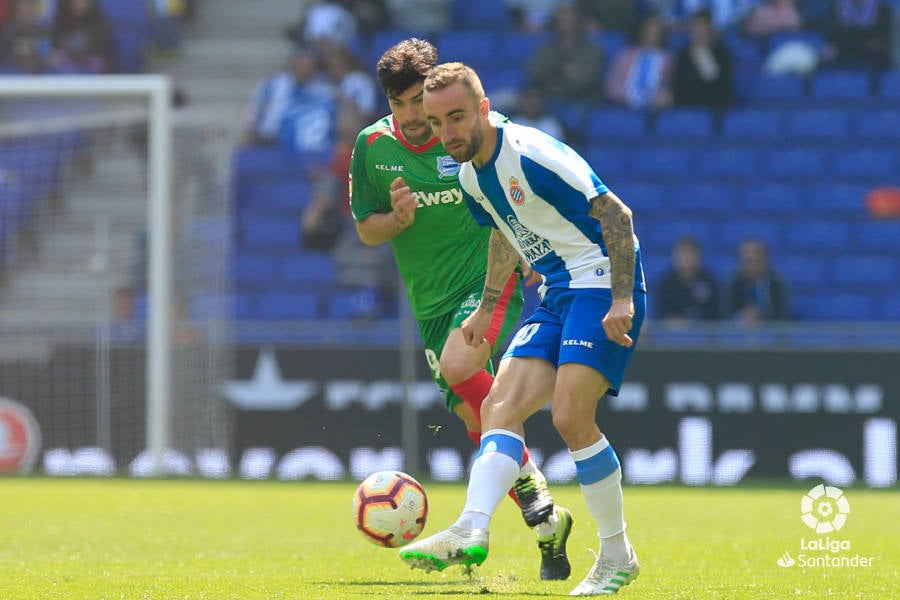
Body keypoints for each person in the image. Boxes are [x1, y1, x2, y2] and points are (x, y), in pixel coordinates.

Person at [404, 62, 647, 596]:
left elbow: (618, 217)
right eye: (437, 122)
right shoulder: (470, 176)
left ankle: (617, 555)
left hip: (599, 282)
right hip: (558, 291)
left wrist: (623, 298)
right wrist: (486, 309)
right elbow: (504, 234)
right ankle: (471, 525)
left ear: (484, 109)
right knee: (498, 408)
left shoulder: (531, 154)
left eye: (457, 117)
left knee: (570, 417)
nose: (447, 133)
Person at [348, 38, 574, 580]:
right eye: (397, 104)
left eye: (416, 101)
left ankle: (480, 520)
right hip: (429, 303)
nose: (410, 116)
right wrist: (396, 220)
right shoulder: (372, 147)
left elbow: (524, 189)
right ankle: (547, 520)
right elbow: (366, 229)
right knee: (479, 418)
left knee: (460, 366)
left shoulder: (467, 134)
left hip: (486, 281)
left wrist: (533, 245)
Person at [605, 12, 674, 111]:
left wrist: (657, 99)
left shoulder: (667, 60)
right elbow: (612, 85)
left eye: (656, 29)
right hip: (623, 104)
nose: (652, 33)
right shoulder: (626, 55)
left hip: (653, 109)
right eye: (648, 29)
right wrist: (624, 97)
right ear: (642, 31)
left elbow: (667, 89)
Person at [672, 8, 735, 109]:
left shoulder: (722, 53)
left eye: (703, 25)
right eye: (696, 25)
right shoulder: (683, 54)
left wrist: (702, 54)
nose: (699, 30)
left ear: (710, 28)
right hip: (686, 108)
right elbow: (679, 85)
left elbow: (717, 85)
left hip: (713, 109)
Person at [725, 239, 790, 322]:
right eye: (747, 262)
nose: (751, 267)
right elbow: (724, 315)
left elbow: (783, 315)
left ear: (765, 261)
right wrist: (741, 317)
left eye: (755, 261)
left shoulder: (777, 283)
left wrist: (761, 317)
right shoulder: (732, 284)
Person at [657, 236, 720, 322]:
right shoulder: (666, 284)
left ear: (698, 256)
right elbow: (662, 315)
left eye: (690, 253)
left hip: (703, 329)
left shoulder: (709, 282)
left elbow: (716, 316)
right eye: (682, 253)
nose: (686, 257)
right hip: (675, 330)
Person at [47, 0, 113, 74]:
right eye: (75, 1)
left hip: (91, 66)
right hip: (65, 66)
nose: (80, 3)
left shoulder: (100, 22)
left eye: (84, 1)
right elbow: (53, 46)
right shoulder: (59, 21)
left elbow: (102, 50)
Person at [0, 0, 51, 73]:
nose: (30, 9)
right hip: (10, 75)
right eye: (25, 5)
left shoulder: (43, 31)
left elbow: (48, 55)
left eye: (32, 5)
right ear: (17, 8)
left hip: (40, 76)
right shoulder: (6, 31)